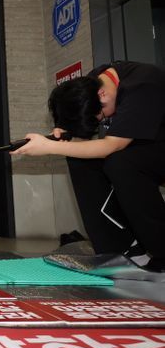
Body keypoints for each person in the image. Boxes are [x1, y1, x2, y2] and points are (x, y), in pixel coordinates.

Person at [12, 61, 165, 273]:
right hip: (144, 148)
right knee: (79, 157)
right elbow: (84, 134)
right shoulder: (94, 82)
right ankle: (119, 248)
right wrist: (65, 132)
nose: (106, 119)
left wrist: (49, 147)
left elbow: (112, 145)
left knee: (120, 163)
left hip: (155, 147)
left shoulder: (143, 84)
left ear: (102, 95)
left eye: (102, 115)